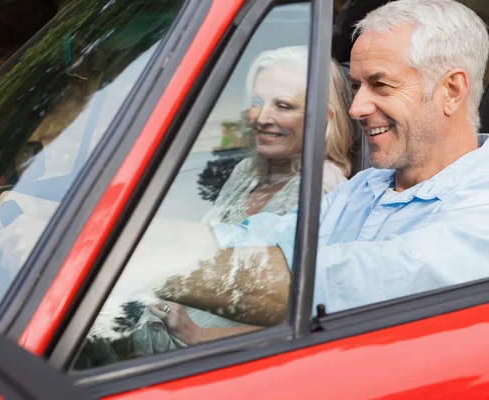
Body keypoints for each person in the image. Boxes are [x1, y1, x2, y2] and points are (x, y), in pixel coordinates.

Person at [149, 0, 489, 345]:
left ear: (451, 91)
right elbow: (256, 238)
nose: (356, 108)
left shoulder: (480, 207)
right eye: (356, 86)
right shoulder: (362, 189)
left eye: (381, 85)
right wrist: (129, 240)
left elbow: (343, 282)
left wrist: (148, 264)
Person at [202, 46, 354, 224]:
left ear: (322, 118)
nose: (262, 118)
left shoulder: (322, 186)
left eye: (283, 106)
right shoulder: (246, 170)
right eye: (257, 102)